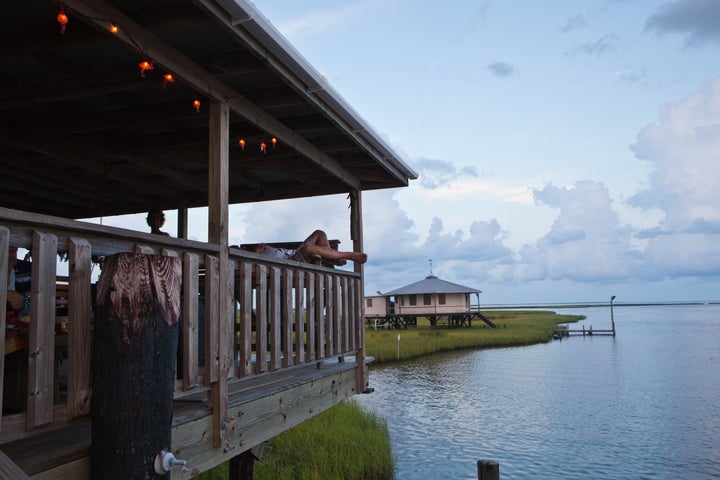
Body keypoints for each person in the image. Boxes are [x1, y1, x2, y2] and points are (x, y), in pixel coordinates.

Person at [249, 230, 367, 266]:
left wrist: (265, 247)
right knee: (308, 248)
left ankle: (334, 259)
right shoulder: (250, 259)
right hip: (290, 264)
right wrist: (256, 253)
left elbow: (276, 251)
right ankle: (345, 255)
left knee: (320, 233)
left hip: (294, 254)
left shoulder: (262, 250)